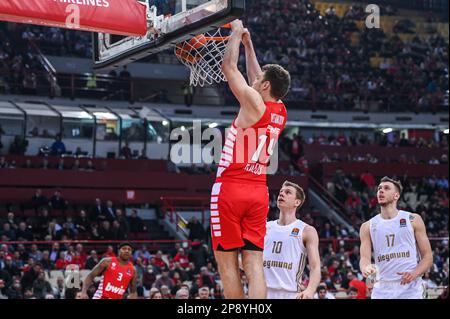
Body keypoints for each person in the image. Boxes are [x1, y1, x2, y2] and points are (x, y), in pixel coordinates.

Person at [211, 20, 290, 299]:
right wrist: (248, 45)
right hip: (258, 191)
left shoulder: (253, 103)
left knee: (227, 264)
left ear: (264, 86)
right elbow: (258, 78)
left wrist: (234, 32)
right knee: (254, 263)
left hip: (231, 187)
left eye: (258, 81)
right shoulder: (280, 110)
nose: (253, 81)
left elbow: (228, 68)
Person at [359, 176, 433, 299]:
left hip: (410, 287)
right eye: (379, 188)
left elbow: (427, 257)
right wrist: (366, 268)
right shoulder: (367, 226)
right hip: (382, 288)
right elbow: (364, 258)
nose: (381, 191)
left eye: (386, 188)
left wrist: (414, 274)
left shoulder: (413, 219)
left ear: (396, 196)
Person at [263, 181, 321, 299]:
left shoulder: (306, 230)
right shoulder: (264, 227)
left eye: (287, 192)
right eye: (281, 192)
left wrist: (310, 290)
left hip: (290, 293)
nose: (281, 194)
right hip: (263, 292)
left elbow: (315, 267)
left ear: (297, 202)